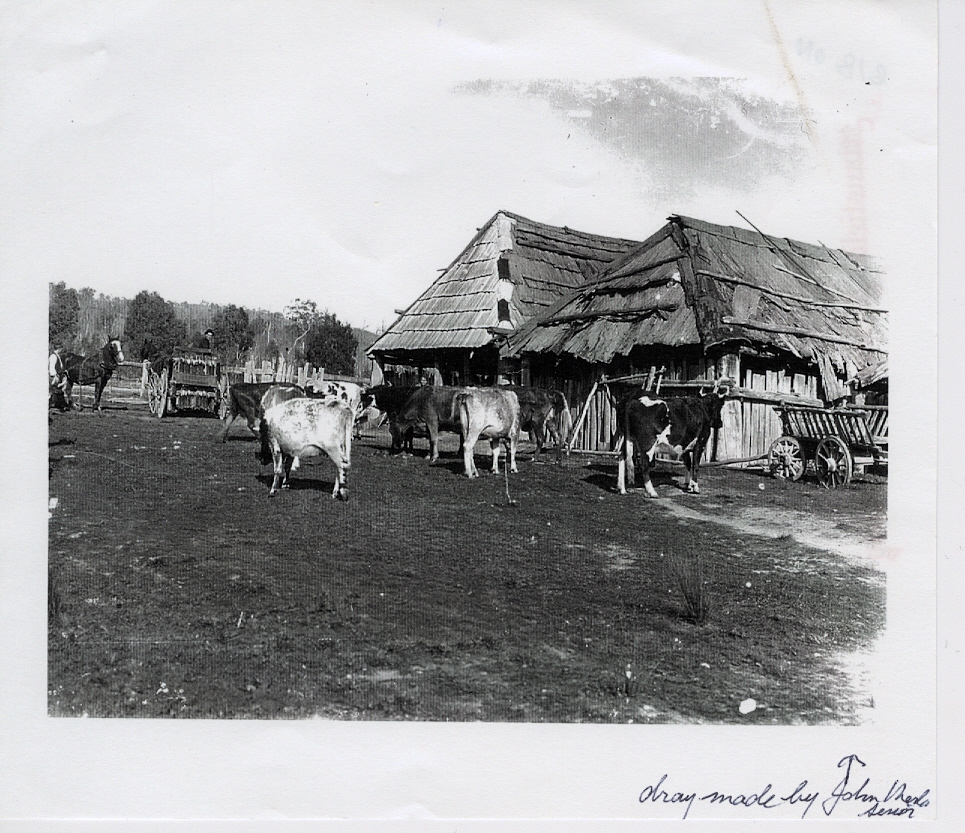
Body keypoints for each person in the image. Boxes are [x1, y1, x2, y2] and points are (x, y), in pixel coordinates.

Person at [48, 345, 72, 409]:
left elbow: (60, 366)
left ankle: (61, 404)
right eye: (61, 349)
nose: (61, 350)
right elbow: (52, 367)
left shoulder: (57, 355)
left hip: (59, 376)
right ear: (58, 349)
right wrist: (55, 376)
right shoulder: (53, 356)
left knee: (59, 390)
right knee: (52, 391)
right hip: (54, 376)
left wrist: (64, 371)